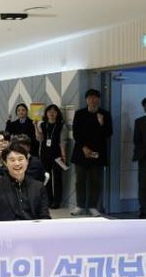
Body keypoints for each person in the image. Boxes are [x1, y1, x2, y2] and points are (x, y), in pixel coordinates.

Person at [0, 144, 51, 222]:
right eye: (12, 160)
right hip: (6, 228)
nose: (17, 163)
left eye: (20, 159)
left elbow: (45, 217)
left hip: (31, 228)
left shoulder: (38, 187)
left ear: (27, 162)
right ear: (6, 163)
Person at [71, 89, 113, 217]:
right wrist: (84, 147)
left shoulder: (105, 114)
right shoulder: (79, 113)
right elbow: (76, 133)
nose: (92, 100)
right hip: (81, 152)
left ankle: (93, 206)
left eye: (95, 98)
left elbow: (108, 133)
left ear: (99, 99)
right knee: (80, 180)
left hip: (97, 153)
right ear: (86, 100)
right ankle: (80, 205)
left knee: (96, 181)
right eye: (90, 98)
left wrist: (101, 123)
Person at [35, 104, 67, 208]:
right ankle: (49, 200)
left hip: (57, 154)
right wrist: (35, 127)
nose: (52, 113)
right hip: (44, 154)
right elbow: (39, 139)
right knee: (47, 177)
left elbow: (62, 141)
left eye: (54, 111)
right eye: (49, 111)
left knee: (57, 178)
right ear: (46, 113)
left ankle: (57, 201)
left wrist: (63, 155)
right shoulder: (43, 125)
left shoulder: (61, 126)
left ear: (57, 113)